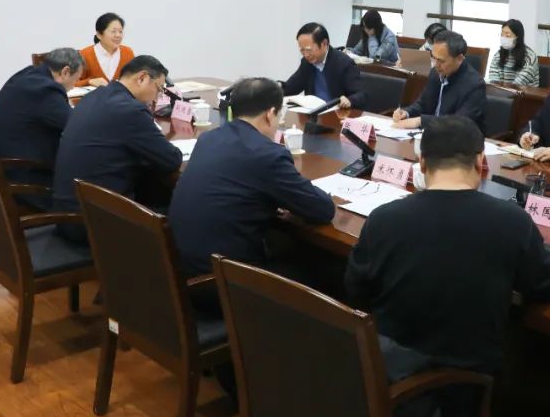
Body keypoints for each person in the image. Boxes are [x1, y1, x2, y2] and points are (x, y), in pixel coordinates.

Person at [345, 116, 550, 413]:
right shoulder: (513, 222)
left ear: (422, 163)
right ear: (480, 161)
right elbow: (547, 286)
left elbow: (355, 290)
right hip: (461, 383)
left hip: (390, 367)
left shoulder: (383, 219)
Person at [168, 77, 336, 278]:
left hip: (183, 266)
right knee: (323, 271)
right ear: (270, 114)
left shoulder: (208, 138)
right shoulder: (267, 155)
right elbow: (322, 209)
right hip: (224, 280)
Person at [53, 55, 183, 240]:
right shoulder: (130, 110)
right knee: (181, 209)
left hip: (67, 213)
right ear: (142, 78)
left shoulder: (93, 96)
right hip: (95, 223)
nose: (158, 96)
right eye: (159, 88)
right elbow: (171, 160)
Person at [0, 48, 83, 194]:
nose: (74, 85)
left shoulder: (28, 73)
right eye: (76, 79)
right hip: (17, 180)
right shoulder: (47, 91)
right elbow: (77, 125)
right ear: (65, 72)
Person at [393, 30, 486, 131]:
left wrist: (421, 121)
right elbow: (423, 104)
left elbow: (459, 123)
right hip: (430, 133)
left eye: (441, 61)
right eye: (434, 58)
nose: (436, 65)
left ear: (459, 59)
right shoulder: (435, 73)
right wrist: (406, 113)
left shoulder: (475, 84)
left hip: (457, 137)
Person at [283, 22, 366, 109]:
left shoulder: (344, 63)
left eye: (308, 50)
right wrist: (278, 87)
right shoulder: (306, 63)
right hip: (313, 113)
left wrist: (349, 100)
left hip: (337, 113)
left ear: (324, 44)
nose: (306, 55)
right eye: (302, 50)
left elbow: (361, 94)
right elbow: (290, 87)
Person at [77, 12, 135, 87]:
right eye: (113, 31)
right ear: (99, 35)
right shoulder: (84, 54)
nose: (118, 35)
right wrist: (89, 81)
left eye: (120, 31)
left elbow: (135, 81)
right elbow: (71, 83)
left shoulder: (128, 52)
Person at [487, 19, 539, 86]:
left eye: (508, 35)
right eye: (502, 34)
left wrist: (502, 90)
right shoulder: (498, 55)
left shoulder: (530, 56)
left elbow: (518, 84)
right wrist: (497, 89)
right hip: (501, 91)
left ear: (517, 37)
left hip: (525, 92)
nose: (504, 37)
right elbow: (494, 81)